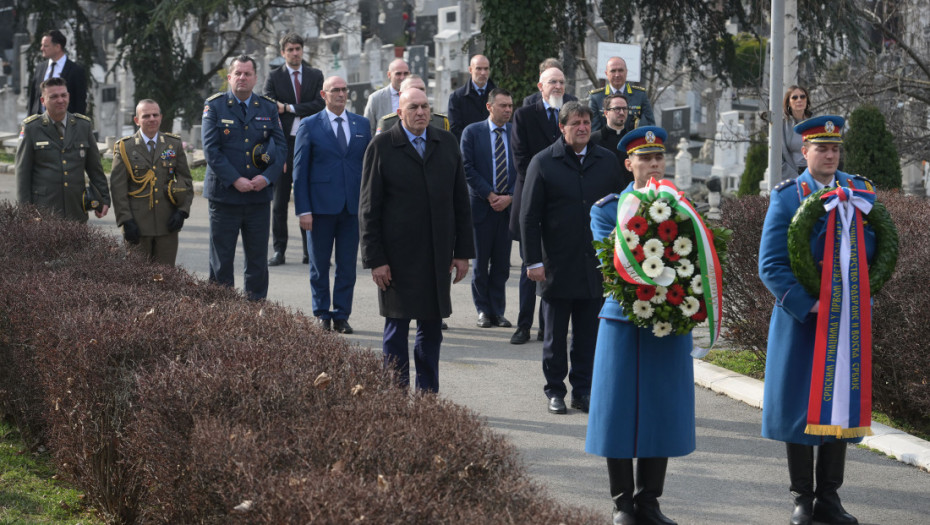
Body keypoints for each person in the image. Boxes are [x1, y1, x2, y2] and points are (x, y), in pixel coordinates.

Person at [759, 116, 875, 525]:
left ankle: (829, 497)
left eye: (835, 148)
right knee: (799, 408)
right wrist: (810, 304)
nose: (830, 155)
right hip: (803, 323)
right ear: (804, 152)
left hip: (846, 325)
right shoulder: (788, 198)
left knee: (840, 403)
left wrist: (856, 298)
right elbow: (771, 264)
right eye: (821, 148)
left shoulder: (859, 193)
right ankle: (802, 498)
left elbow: (873, 251)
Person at [586, 126, 691, 525]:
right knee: (617, 412)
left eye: (658, 157)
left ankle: (649, 502)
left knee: (659, 410)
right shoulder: (608, 209)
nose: (653, 165)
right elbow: (609, 264)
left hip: (668, 320)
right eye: (644, 159)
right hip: (623, 320)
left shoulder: (683, 208)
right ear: (628, 164)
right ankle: (622, 504)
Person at [359, 88, 474, 393]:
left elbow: (460, 202)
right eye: (413, 107)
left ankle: (427, 398)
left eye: (425, 106)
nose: (421, 112)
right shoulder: (382, 145)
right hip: (396, 259)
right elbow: (368, 208)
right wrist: (375, 259)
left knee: (431, 330)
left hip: (437, 255)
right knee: (396, 330)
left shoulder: (446, 142)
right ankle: (396, 398)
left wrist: (462, 252)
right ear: (400, 113)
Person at [519, 101, 622, 414]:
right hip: (557, 264)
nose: (582, 128)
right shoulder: (543, 162)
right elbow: (529, 216)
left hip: (595, 264)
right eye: (576, 123)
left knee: (588, 334)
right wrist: (533, 261)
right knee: (554, 335)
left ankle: (583, 390)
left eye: (586, 122)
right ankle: (555, 390)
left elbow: (621, 208)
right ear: (562, 127)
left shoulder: (606, 161)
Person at [201, 55, 287, 301]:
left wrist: (266, 178)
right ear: (229, 77)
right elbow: (211, 150)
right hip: (225, 196)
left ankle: (254, 311)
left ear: (255, 78)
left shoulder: (268, 107)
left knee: (257, 261)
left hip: (258, 198)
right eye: (238, 73)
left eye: (247, 74)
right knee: (221, 261)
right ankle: (221, 311)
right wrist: (235, 180)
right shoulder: (214, 106)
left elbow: (280, 148)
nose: (242, 78)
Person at [293, 76, 372, 334]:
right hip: (320, 209)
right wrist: (303, 209)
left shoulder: (361, 124)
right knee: (319, 265)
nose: (340, 94)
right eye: (335, 90)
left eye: (343, 90)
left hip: (352, 208)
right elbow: (299, 171)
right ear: (323, 94)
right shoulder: (309, 124)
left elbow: (368, 167)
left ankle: (341, 314)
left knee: (347, 266)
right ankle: (321, 313)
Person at [509, 67, 567, 345]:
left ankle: (547, 326)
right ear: (540, 86)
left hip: (562, 204)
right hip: (532, 199)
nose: (558, 86)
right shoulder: (524, 115)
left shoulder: (570, 112)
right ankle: (524, 325)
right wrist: (547, 184)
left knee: (554, 267)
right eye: (552, 81)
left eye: (562, 82)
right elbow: (521, 160)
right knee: (529, 266)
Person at [264, 32, 325, 267]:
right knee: (279, 202)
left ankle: (310, 251)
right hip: (284, 145)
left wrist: (289, 108)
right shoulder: (274, 77)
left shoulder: (315, 75)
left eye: (298, 48)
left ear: (302, 50)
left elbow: (319, 104)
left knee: (307, 198)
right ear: (283, 53)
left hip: (310, 144)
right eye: (290, 49)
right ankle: (279, 250)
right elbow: (270, 106)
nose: (295, 53)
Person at [109, 99, 193, 265]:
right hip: (137, 224)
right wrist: (125, 220)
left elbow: (186, 180)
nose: (152, 119)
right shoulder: (125, 147)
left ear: (161, 117)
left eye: (155, 115)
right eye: (146, 116)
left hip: (167, 223)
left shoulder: (173, 144)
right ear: (137, 120)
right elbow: (118, 188)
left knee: (164, 275)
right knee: (138, 276)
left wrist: (182, 211)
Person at [16, 77, 109, 222]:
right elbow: (23, 173)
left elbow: (95, 168)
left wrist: (104, 198)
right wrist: (25, 212)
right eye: (54, 97)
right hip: (44, 211)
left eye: (63, 95)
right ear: (43, 101)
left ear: (68, 97)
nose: (60, 100)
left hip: (76, 208)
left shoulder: (83, 126)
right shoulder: (31, 128)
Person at [460, 88, 516, 329]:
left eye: (510, 106)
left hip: (507, 209)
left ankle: (498, 311)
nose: (508, 110)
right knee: (481, 264)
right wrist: (490, 194)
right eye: (503, 106)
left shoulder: (516, 132)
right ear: (489, 107)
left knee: (502, 265)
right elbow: (466, 166)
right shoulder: (473, 132)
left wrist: (510, 197)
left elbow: (522, 167)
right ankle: (483, 310)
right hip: (482, 207)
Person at [27, 30, 87, 116]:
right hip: (39, 121)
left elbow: (79, 103)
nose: (42, 48)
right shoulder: (40, 68)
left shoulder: (76, 71)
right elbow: (33, 98)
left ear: (57, 47)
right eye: (42, 45)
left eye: (46, 46)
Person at [588, 56, 654, 132]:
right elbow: (594, 131)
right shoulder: (596, 98)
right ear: (606, 74)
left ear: (626, 72)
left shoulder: (640, 95)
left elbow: (650, 126)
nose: (617, 75)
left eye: (620, 70)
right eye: (613, 71)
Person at [376, 75, 450, 134]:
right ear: (401, 94)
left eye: (421, 89)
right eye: (413, 89)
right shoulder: (388, 123)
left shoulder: (440, 122)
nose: (418, 93)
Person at [589, 92, 634, 188]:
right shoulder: (592, 140)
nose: (622, 112)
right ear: (606, 113)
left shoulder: (633, 139)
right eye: (617, 109)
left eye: (624, 109)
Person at [448, 54, 496, 140]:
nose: (483, 73)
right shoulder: (457, 97)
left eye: (486, 69)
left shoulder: (498, 96)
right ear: (470, 70)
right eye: (478, 69)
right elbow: (455, 129)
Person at [363, 58, 410, 135]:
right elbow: (367, 129)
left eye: (405, 74)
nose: (402, 77)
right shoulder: (375, 99)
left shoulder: (417, 96)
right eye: (398, 74)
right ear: (389, 75)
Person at [781, 85, 813, 182]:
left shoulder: (815, 122)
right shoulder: (782, 125)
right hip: (792, 177)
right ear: (788, 103)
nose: (799, 100)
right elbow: (779, 157)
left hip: (814, 175)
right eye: (794, 97)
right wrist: (797, 178)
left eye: (802, 97)